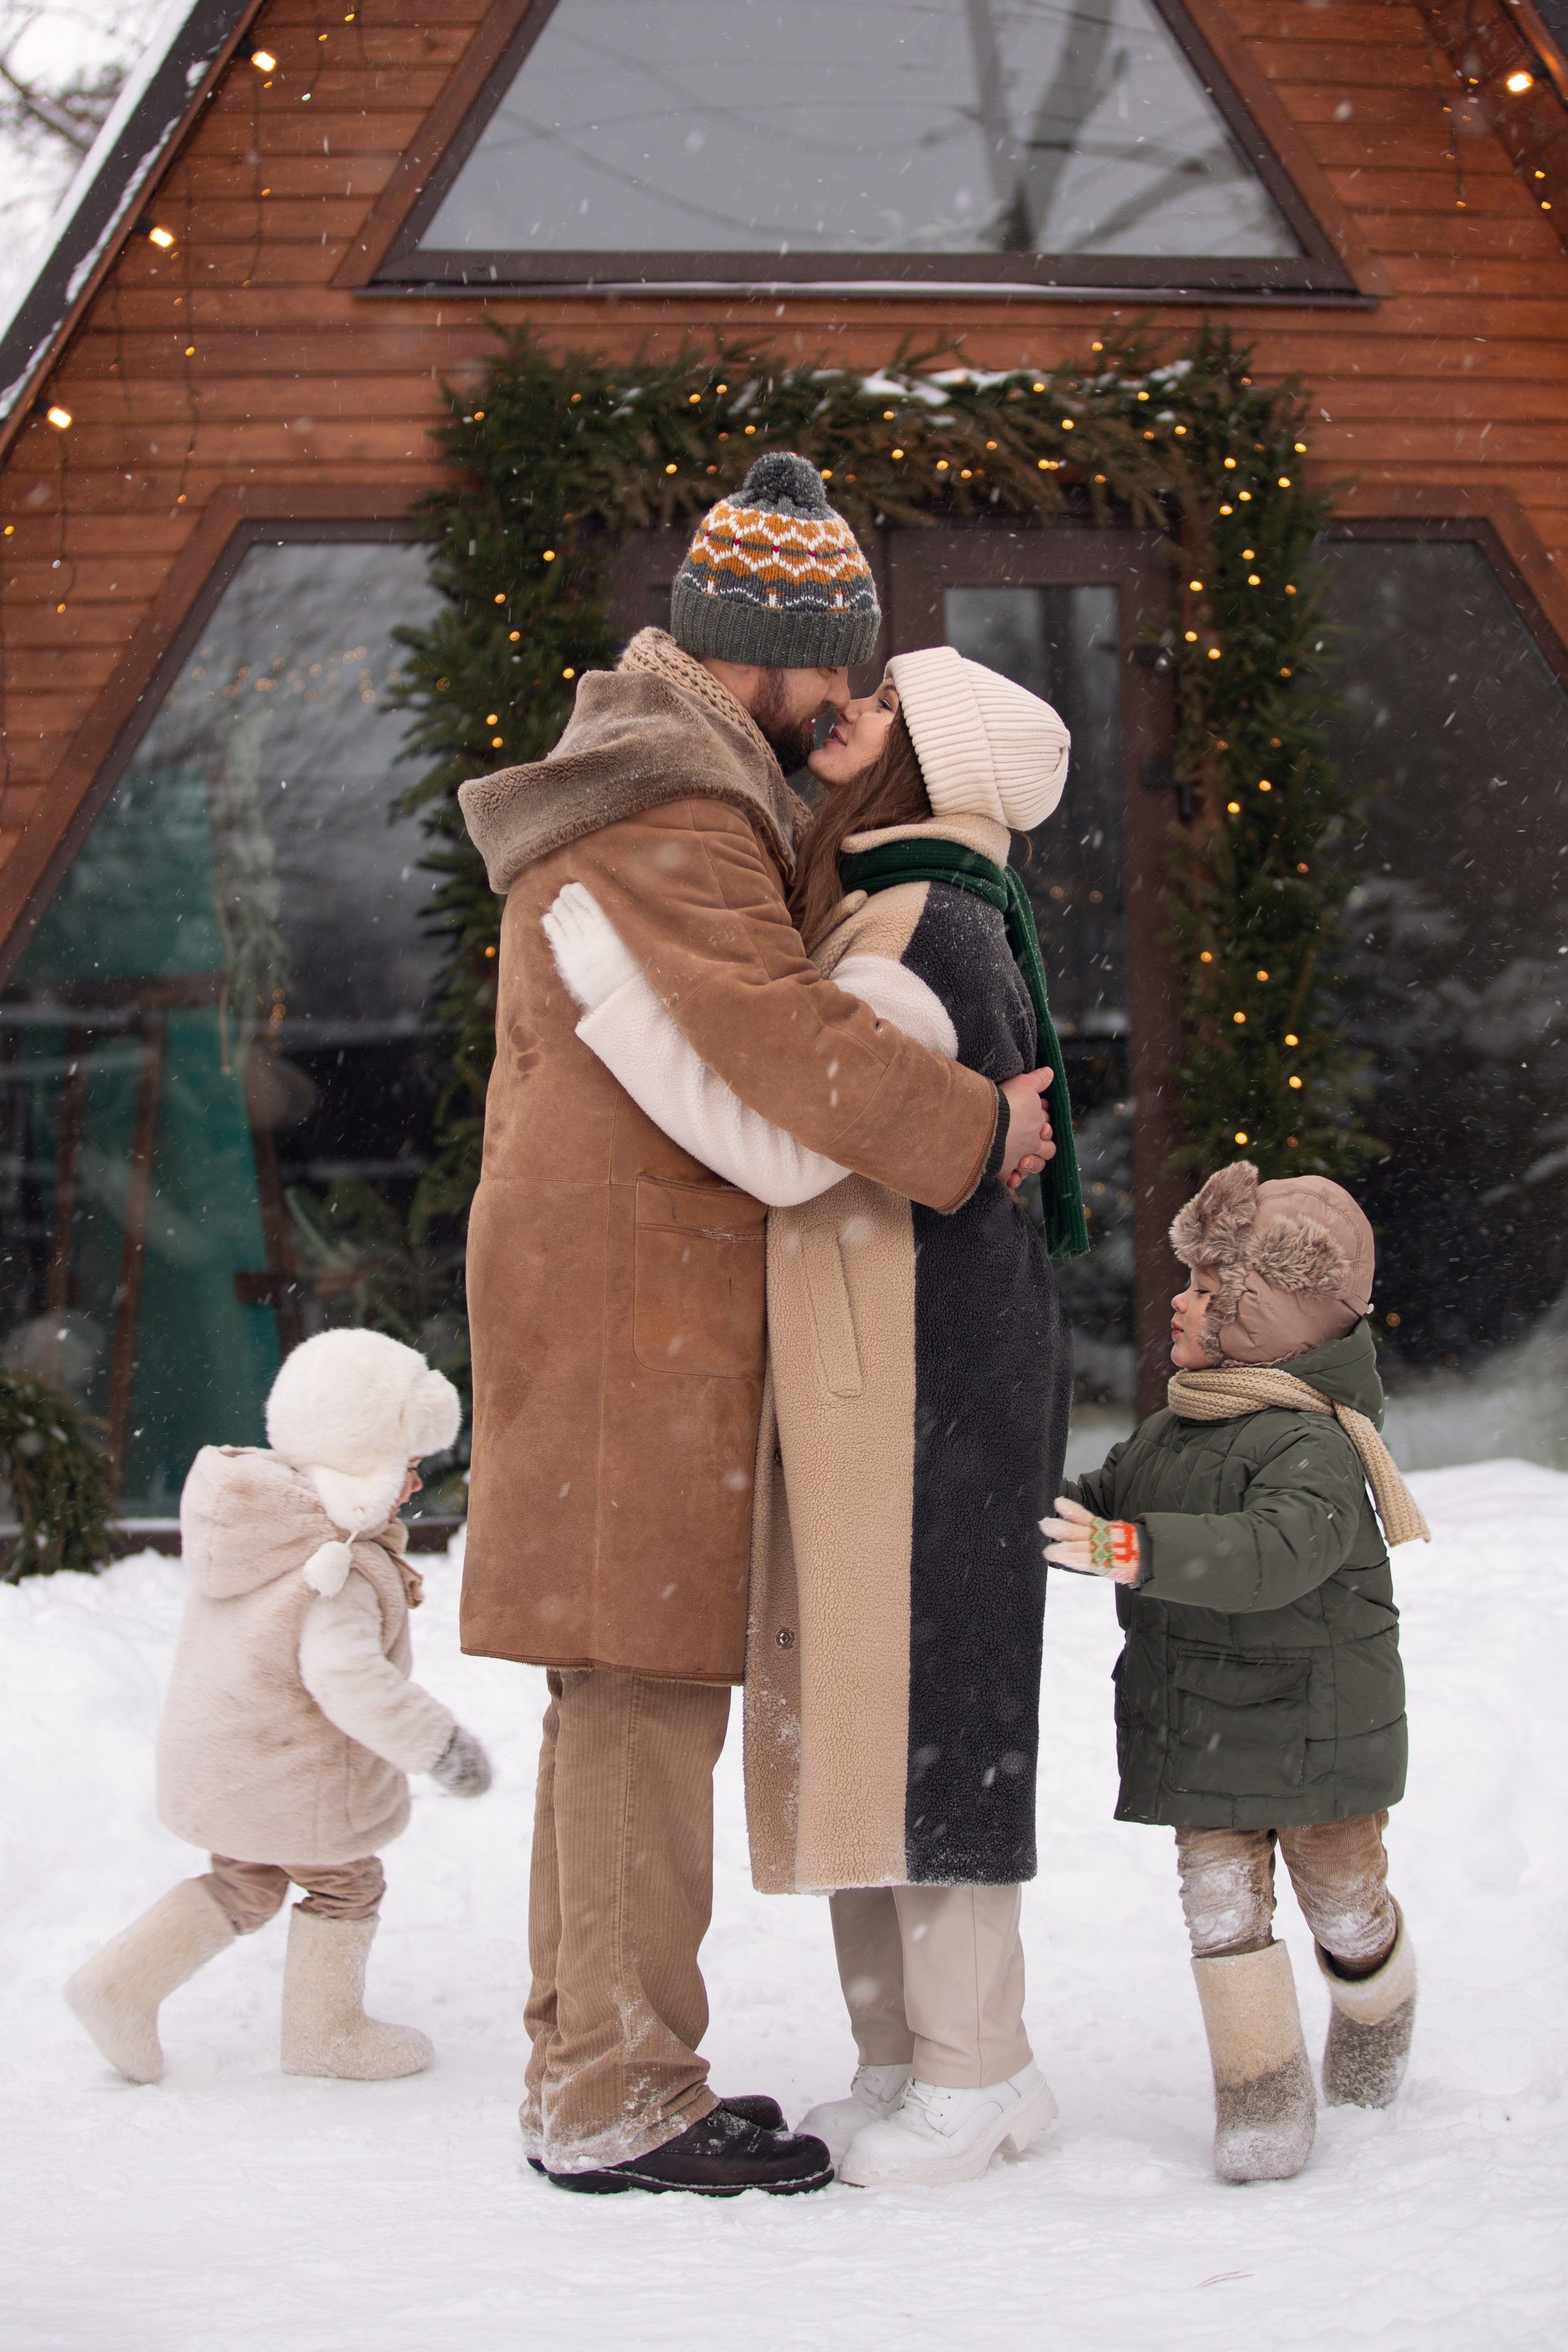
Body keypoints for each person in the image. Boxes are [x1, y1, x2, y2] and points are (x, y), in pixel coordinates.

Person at [457, 452, 1057, 2198]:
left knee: (620, 1694)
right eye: (840, 667)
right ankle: (618, 2093)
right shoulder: (671, 809)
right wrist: (978, 1131)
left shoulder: (670, 787)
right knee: (638, 1696)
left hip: (616, 1301)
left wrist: (817, 812)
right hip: (633, 1314)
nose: (851, 700)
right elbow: (783, 1046)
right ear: (774, 653)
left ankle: (592, 2062)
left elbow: (735, 996)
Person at [1043, 1161, 1425, 2183]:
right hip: (1200, 1718)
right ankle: (1262, 2098)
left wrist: (1136, 1550)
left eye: (1210, 1289)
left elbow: (1277, 1552)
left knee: (1343, 1904)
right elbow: (1099, 1504)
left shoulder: (1315, 1444)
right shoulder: (1174, 1428)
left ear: (1270, 1313)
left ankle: (1377, 2013)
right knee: (1220, 1909)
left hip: (1315, 1728)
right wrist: (1016, 1505)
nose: (1181, 1300)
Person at [65, 1328, 491, 2086]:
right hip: (294, 1770)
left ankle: (117, 1986)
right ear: (363, 1460)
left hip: (230, 1756)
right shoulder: (335, 1564)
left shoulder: (261, 1521)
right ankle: (326, 2035)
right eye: (408, 1466)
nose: (414, 1485)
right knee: (347, 1883)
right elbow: (346, 1678)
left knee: (246, 1881)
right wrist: (438, 1745)